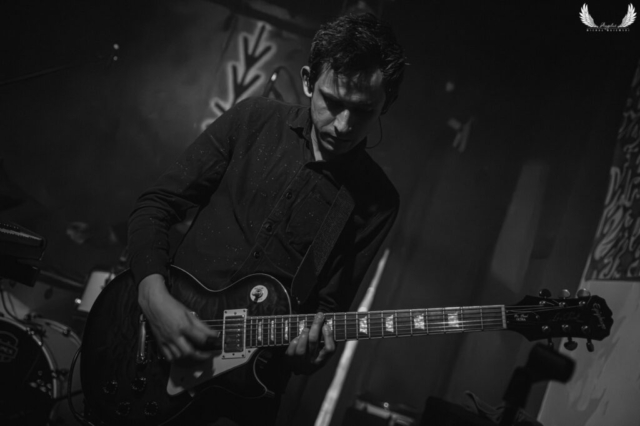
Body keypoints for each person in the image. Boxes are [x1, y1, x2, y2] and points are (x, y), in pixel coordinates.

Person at [127, 11, 406, 426]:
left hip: (243, 397)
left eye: (363, 111)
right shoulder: (253, 120)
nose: (344, 125)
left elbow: (327, 311)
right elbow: (156, 205)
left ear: (387, 103)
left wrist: (309, 355)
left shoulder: (378, 200)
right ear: (308, 80)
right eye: (333, 102)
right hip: (149, 353)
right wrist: (153, 297)